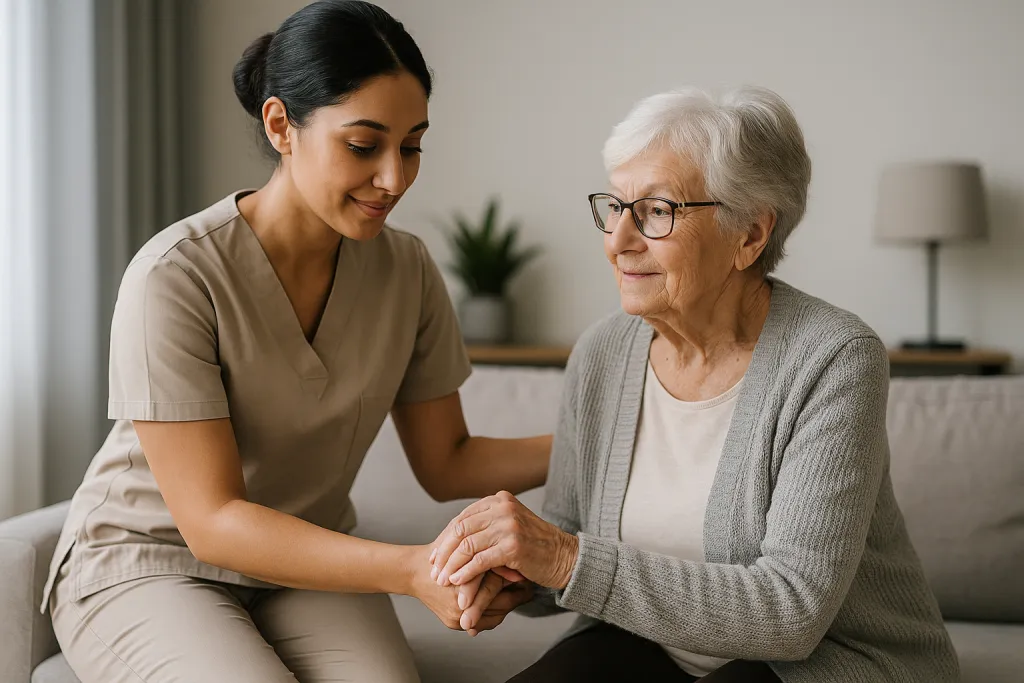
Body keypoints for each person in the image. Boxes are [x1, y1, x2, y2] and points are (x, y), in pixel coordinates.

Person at [43, 2, 543, 682]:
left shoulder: (408, 269)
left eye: (412, 146)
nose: (394, 179)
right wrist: (411, 569)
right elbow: (213, 522)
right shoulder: (177, 275)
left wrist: (614, 437)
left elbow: (447, 462)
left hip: (308, 563)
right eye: (363, 146)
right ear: (280, 125)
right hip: (151, 557)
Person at [429, 86, 960, 682]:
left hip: (825, 659)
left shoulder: (833, 358)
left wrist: (562, 558)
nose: (617, 241)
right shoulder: (602, 353)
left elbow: (791, 613)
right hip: (651, 647)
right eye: (616, 206)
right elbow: (571, 552)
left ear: (750, 235)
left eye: (657, 211)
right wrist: (510, 571)